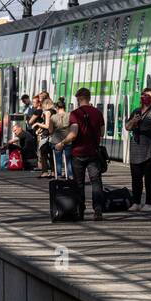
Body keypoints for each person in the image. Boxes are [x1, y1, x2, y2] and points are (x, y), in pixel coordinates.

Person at [57, 88, 106, 219]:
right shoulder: (98, 113)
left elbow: (73, 134)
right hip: (93, 153)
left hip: (78, 153)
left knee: (79, 183)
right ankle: (98, 209)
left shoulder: (75, 114)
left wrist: (62, 143)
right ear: (89, 98)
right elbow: (102, 133)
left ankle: (80, 210)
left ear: (78, 98)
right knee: (96, 182)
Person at [125, 87, 151, 213]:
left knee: (149, 177)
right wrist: (133, 121)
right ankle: (136, 202)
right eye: (143, 95)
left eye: (147, 95)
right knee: (136, 178)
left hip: (150, 148)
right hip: (136, 148)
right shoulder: (136, 111)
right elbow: (127, 127)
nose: (145, 97)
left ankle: (148, 203)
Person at [49, 100, 73, 179]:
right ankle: (70, 175)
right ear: (64, 107)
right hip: (68, 140)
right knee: (68, 159)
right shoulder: (70, 115)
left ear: (57, 107)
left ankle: (58, 175)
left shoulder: (53, 117)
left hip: (56, 141)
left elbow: (50, 130)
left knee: (58, 159)